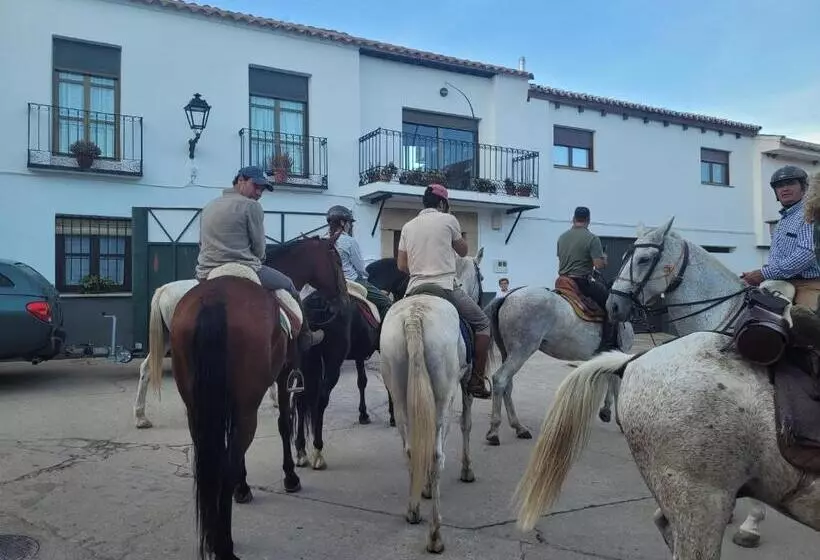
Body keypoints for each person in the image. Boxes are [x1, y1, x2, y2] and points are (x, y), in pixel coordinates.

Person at [195, 165, 324, 351]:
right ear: (241, 180)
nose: (259, 193)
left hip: (206, 272)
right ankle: (306, 335)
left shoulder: (209, 206)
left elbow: (201, 243)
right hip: (243, 268)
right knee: (289, 285)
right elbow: (259, 249)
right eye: (256, 186)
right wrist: (258, 257)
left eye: (262, 189)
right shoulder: (251, 206)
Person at [397, 184, 492, 399]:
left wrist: (421, 270)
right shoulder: (449, 220)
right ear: (442, 203)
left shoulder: (407, 226)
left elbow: (401, 265)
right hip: (446, 286)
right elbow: (464, 251)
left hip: (414, 288)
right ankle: (477, 380)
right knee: (483, 323)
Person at [740, 165, 820, 307]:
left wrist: (764, 273)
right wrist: (756, 274)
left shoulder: (811, 213)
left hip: (808, 285)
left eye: (790, 183)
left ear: (804, 187)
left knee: (803, 316)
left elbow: (807, 253)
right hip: (780, 283)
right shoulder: (783, 220)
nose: (785, 189)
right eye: (780, 186)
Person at [556, 206, 618, 350]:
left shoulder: (562, 237)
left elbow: (561, 257)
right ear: (588, 220)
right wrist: (604, 259)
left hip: (562, 281)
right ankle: (607, 344)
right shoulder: (592, 238)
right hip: (581, 282)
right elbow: (598, 265)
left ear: (573, 219)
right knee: (609, 304)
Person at [325, 204, 392, 321]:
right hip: (351, 281)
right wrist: (368, 276)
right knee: (386, 301)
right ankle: (382, 330)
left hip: (329, 282)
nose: (350, 226)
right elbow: (360, 269)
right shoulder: (349, 241)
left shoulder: (323, 239)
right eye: (349, 223)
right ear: (342, 223)